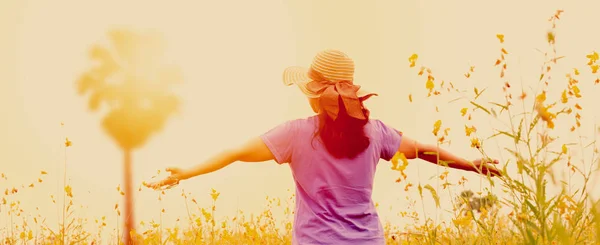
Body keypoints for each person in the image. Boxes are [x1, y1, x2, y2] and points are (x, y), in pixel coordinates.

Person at [145, 49, 501, 244]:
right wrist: (472, 163)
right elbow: (425, 149)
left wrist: (187, 172)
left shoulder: (295, 135)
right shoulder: (376, 133)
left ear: (314, 95)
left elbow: (236, 153)